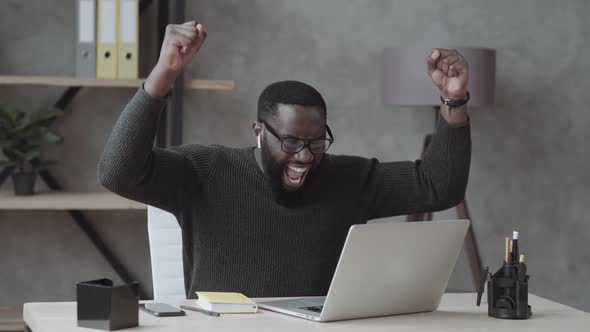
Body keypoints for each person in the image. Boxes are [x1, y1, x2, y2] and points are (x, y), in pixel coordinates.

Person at [97, 21, 471, 298]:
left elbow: (439, 187)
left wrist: (454, 102)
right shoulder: (205, 170)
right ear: (259, 131)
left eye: (316, 142)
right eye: (290, 143)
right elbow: (118, 173)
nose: (305, 157)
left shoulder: (350, 178)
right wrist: (164, 74)